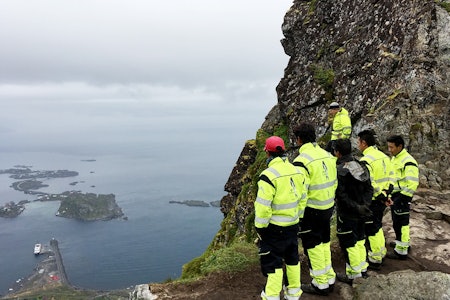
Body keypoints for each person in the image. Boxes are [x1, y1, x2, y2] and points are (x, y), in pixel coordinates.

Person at [255, 136, 307, 300]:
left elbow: (263, 207)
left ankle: (271, 296)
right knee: (292, 259)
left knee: (273, 263)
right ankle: (293, 294)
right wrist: (296, 217)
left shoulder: (268, 176)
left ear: (267, 153)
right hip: (292, 225)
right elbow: (303, 198)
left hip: (274, 228)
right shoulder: (298, 171)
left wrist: (260, 229)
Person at [292, 123, 337, 296]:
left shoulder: (302, 161)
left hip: (312, 210)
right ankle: (329, 277)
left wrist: (299, 216)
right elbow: (334, 182)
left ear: (299, 139)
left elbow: (301, 193)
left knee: (313, 245)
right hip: (327, 206)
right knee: (325, 241)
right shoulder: (327, 155)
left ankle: (320, 284)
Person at [333, 139, 373, 285]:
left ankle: (355, 276)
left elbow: (341, 195)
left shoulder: (339, 170)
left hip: (348, 213)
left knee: (349, 244)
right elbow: (370, 188)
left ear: (337, 152)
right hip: (363, 211)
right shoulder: (361, 165)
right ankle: (362, 270)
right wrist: (365, 205)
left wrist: (355, 206)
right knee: (360, 240)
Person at [357, 130, 394, 270]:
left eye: (358, 141)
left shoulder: (366, 160)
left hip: (373, 200)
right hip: (382, 198)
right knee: (377, 225)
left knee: (372, 228)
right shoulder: (384, 156)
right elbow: (392, 176)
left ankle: (375, 258)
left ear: (364, 143)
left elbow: (369, 183)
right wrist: (387, 194)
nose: (357, 144)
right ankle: (381, 252)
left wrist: (381, 195)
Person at [385, 135, 419, 260]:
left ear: (400, 146)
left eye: (392, 147)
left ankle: (401, 251)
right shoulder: (396, 158)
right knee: (397, 221)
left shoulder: (408, 161)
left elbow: (412, 184)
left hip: (403, 197)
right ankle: (401, 243)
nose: (390, 150)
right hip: (396, 195)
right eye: (388, 147)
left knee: (402, 223)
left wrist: (401, 199)